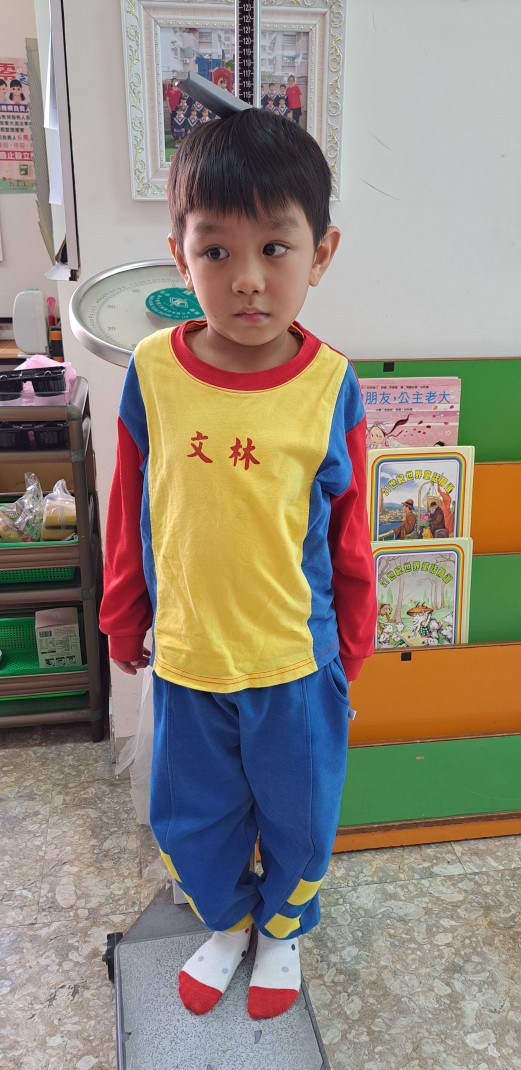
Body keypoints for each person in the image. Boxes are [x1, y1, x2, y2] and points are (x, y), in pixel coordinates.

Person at [100, 109, 376, 1022]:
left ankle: (282, 932)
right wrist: (123, 614)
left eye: (274, 248)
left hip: (294, 664)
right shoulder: (153, 371)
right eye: (215, 251)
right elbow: (132, 507)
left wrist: (352, 644)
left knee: (300, 816)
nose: (247, 278)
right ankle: (225, 924)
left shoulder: (330, 385)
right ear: (178, 258)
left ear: (319, 252)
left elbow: (348, 532)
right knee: (193, 816)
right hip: (188, 661)